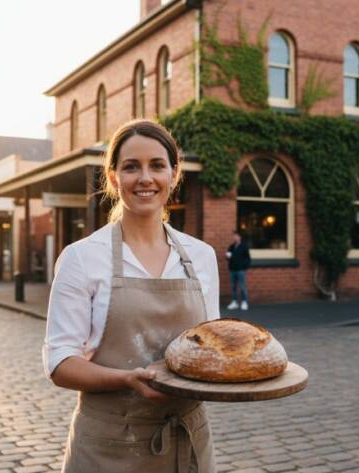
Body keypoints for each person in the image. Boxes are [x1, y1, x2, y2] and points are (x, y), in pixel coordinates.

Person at [43, 119, 220, 472]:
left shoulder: (200, 256)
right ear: (112, 178)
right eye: (130, 167)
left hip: (188, 445)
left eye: (156, 165)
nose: (144, 178)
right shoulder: (81, 258)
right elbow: (60, 363)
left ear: (174, 174)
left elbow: (208, 346)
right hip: (107, 446)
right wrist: (127, 379)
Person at [225, 230, 251, 310]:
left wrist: (244, 267)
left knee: (242, 286)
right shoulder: (232, 246)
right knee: (233, 287)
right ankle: (234, 302)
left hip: (240, 270)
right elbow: (228, 257)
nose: (234, 237)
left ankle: (244, 302)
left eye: (236, 236)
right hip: (232, 269)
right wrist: (227, 256)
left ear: (239, 237)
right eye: (233, 236)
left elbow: (248, 259)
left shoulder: (244, 246)